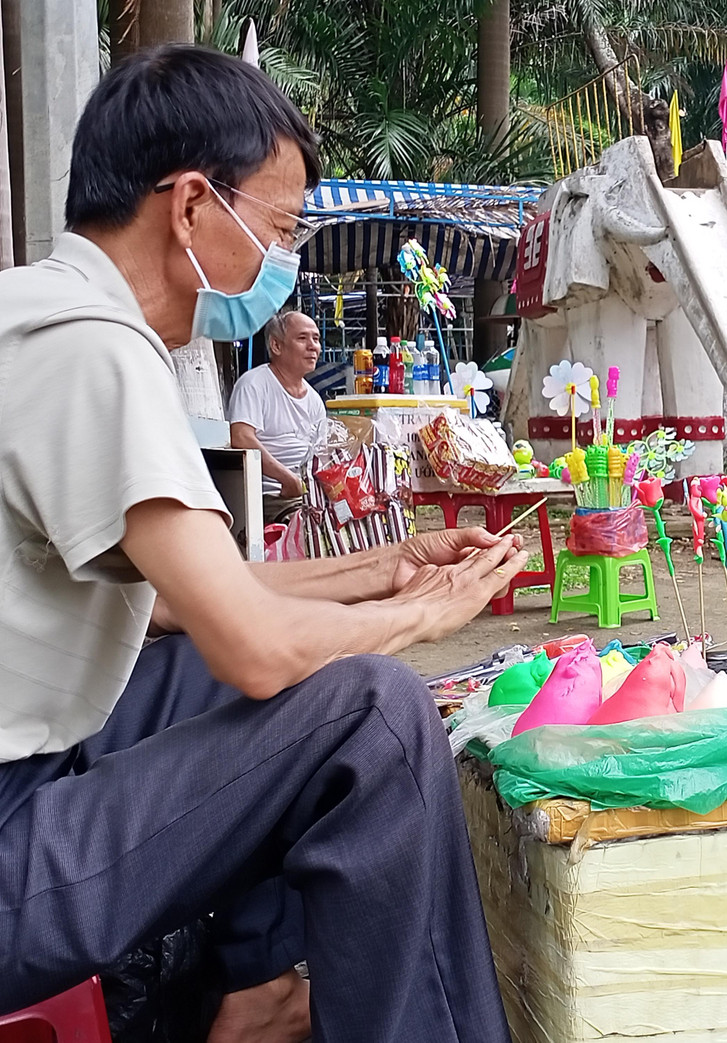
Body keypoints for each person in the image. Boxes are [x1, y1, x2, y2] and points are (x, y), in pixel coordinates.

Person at [0, 46, 527, 1043]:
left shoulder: (33, 314)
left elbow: (179, 599)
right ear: (192, 205)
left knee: (269, 665)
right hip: (11, 834)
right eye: (278, 228)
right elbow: (249, 641)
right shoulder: (94, 348)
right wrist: (414, 614)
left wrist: (378, 567)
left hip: (33, 766)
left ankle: (254, 988)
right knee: (374, 710)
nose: (281, 265)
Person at [229, 310, 327, 521]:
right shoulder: (254, 384)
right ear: (276, 346)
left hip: (307, 494)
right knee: (316, 525)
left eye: (316, 339)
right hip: (271, 496)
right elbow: (241, 437)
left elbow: (322, 454)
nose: (313, 346)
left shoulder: (315, 400)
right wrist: (288, 480)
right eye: (302, 338)